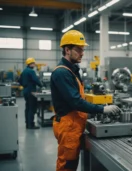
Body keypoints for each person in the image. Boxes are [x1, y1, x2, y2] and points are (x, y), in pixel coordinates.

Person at [50, 30, 121, 171]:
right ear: (67, 50)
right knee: (67, 166)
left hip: (74, 125)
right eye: (78, 49)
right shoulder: (62, 72)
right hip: (68, 126)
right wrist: (102, 109)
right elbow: (75, 102)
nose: (82, 53)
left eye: (82, 49)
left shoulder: (71, 70)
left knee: (72, 163)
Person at [19, 57, 43, 129]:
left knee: (27, 108)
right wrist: (41, 85)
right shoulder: (31, 71)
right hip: (31, 92)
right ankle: (31, 125)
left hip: (25, 91)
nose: (35, 64)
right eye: (34, 63)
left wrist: (25, 85)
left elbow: (19, 80)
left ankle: (27, 124)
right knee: (32, 108)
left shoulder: (24, 71)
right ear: (31, 64)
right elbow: (36, 80)